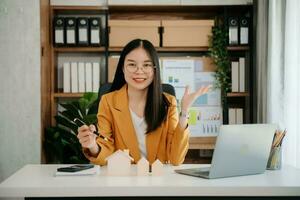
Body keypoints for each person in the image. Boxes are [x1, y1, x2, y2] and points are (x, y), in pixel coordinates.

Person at [77, 39, 211, 166]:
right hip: (124, 179)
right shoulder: (108, 101)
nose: (139, 71)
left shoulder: (169, 103)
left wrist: (185, 112)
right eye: (132, 64)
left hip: (158, 180)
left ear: (154, 69)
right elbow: (107, 151)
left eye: (146, 65)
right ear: (123, 68)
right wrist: (93, 146)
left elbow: (176, 159)